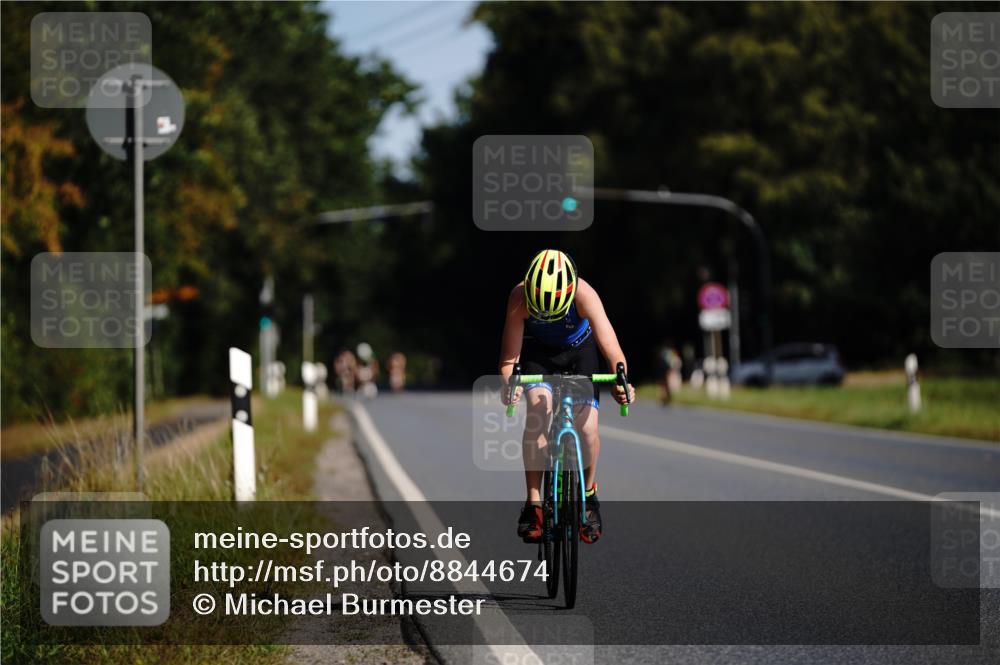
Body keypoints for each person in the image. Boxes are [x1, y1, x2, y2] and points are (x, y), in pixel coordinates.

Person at [499, 249, 634, 544]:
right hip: (539, 354)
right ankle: (533, 503)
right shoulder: (519, 296)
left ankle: (589, 494)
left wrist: (621, 381)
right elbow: (510, 359)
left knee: (587, 429)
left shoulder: (585, 293)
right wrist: (510, 386)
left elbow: (610, 343)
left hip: (579, 352)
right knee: (538, 408)